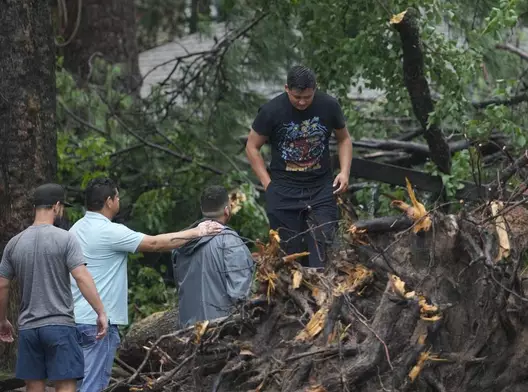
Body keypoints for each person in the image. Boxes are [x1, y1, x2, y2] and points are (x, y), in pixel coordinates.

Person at [68, 177, 223, 392]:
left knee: (76, 384)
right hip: (98, 323)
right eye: (117, 197)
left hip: (73, 319)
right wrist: (198, 232)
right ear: (109, 201)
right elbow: (154, 243)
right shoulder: (108, 231)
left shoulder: (75, 229)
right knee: (93, 386)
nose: (118, 201)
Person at [0, 183, 108, 392]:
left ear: (35, 208)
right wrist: (101, 312)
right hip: (60, 326)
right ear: (57, 206)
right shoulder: (66, 238)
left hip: (29, 329)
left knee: (34, 386)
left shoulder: (15, 243)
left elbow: (2, 285)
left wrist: (2, 319)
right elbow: (81, 276)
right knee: (66, 385)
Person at [245, 65, 353, 269]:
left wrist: (345, 172)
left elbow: (344, 139)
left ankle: (324, 295)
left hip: (321, 187)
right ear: (287, 89)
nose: (302, 102)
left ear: (315, 88)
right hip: (284, 190)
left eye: (307, 97)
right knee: (289, 255)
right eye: (297, 97)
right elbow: (252, 147)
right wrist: (268, 184)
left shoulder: (329, 105)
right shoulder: (271, 110)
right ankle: (293, 296)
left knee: (323, 249)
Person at [172, 185, 256, 327]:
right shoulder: (230, 241)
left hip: (187, 332)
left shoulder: (181, 242)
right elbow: (241, 295)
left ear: (202, 209)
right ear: (227, 210)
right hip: (220, 332)